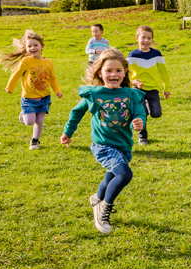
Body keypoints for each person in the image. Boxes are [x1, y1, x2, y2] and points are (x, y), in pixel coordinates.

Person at [60, 48, 146, 234]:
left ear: (124, 73)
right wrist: (68, 131)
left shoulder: (132, 95)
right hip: (103, 146)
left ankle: (97, 198)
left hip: (123, 146)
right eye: (108, 70)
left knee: (110, 179)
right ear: (100, 72)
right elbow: (77, 112)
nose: (113, 74)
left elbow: (139, 113)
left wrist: (139, 121)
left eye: (118, 70)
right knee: (124, 174)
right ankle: (103, 208)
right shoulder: (94, 95)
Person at [0, 29, 63, 150]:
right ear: (26, 48)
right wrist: (10, 88)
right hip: (28, 98)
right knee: (29, 121)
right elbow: (16, 75)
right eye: (29, 46)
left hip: (44, 97)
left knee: (40, 121)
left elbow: (53, 78)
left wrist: (57, 91)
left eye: (35, 45)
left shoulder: (48, 63)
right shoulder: (25, 61)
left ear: (42, 46)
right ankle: (24, 115)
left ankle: (35, 141)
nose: (32, 48)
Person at [127, 25, 171, 145]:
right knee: (142, 114)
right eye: (143, 37)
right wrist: (133, 82)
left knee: (156, 114)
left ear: (152, 40)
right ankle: (143, 137)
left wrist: (166, 88)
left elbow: (163, 72)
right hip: (138, 90)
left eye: (149, 38)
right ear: (137, 38)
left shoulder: (157, 54)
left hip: (153, 89)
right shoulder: (132, 55)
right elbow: (125, 73)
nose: (146, 41)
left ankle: (147, 105)